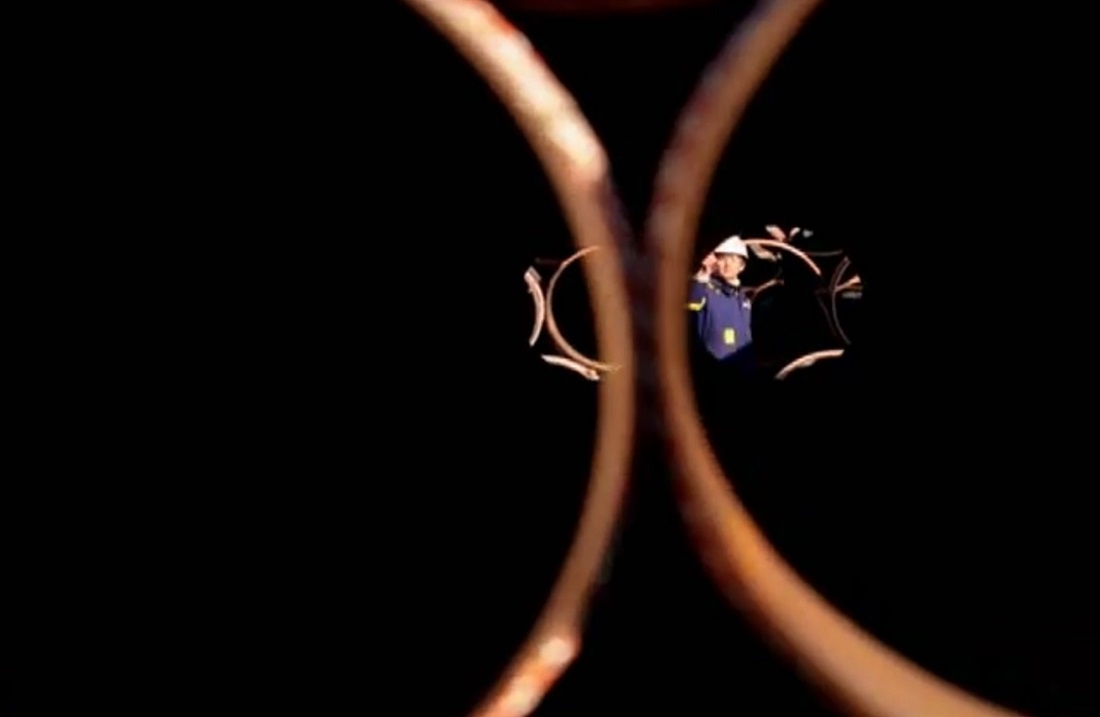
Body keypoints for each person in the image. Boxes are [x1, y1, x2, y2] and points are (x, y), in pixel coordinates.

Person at [688, 235, 755, 371]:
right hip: (711, 374)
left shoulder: (744, 301)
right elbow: (690, 302)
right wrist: (703, 274)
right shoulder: (704, 290)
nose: (727, 264)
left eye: (732, 259)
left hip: (741, 374)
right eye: (723, 258)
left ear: (741, 266)